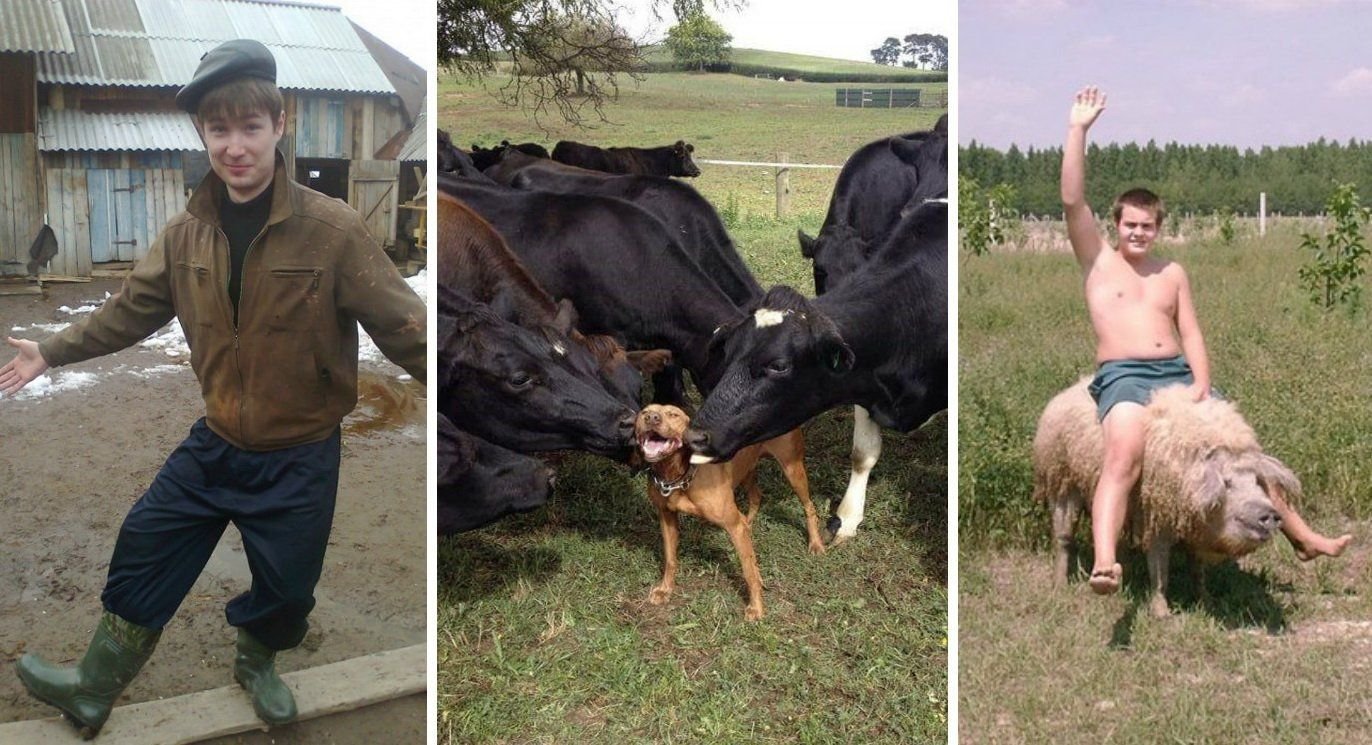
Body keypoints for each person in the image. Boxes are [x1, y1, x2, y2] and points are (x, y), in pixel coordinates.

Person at [0, 39, 425, 736]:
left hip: (299, 456)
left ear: (279, 125)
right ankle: (93, 685)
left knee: (288, 592)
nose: (235, 146)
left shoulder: (333, 231)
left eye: (250, 127)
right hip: (217, 442)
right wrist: (49, 351)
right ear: (203, 133)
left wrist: (467, 390)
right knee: (144, 541)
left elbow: (408, 327)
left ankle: (257, 662)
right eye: (218, 129)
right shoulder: (186, 233)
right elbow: (128, 312)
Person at [1059, 85, 1349, 596]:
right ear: (1116, 225)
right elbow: (1071, 198)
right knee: (1123, 455)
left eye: (1147, 226)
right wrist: (1078, 130)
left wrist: (1203, 384)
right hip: (1125, 377)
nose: (1138, 234)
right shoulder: (1098, 261)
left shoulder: (1171, 272)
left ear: (1158, 227)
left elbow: (1190, 330)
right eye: (1130, 225)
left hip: (1177, 374)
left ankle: (1303, 538)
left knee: (1245, 454)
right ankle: (1106, 559)